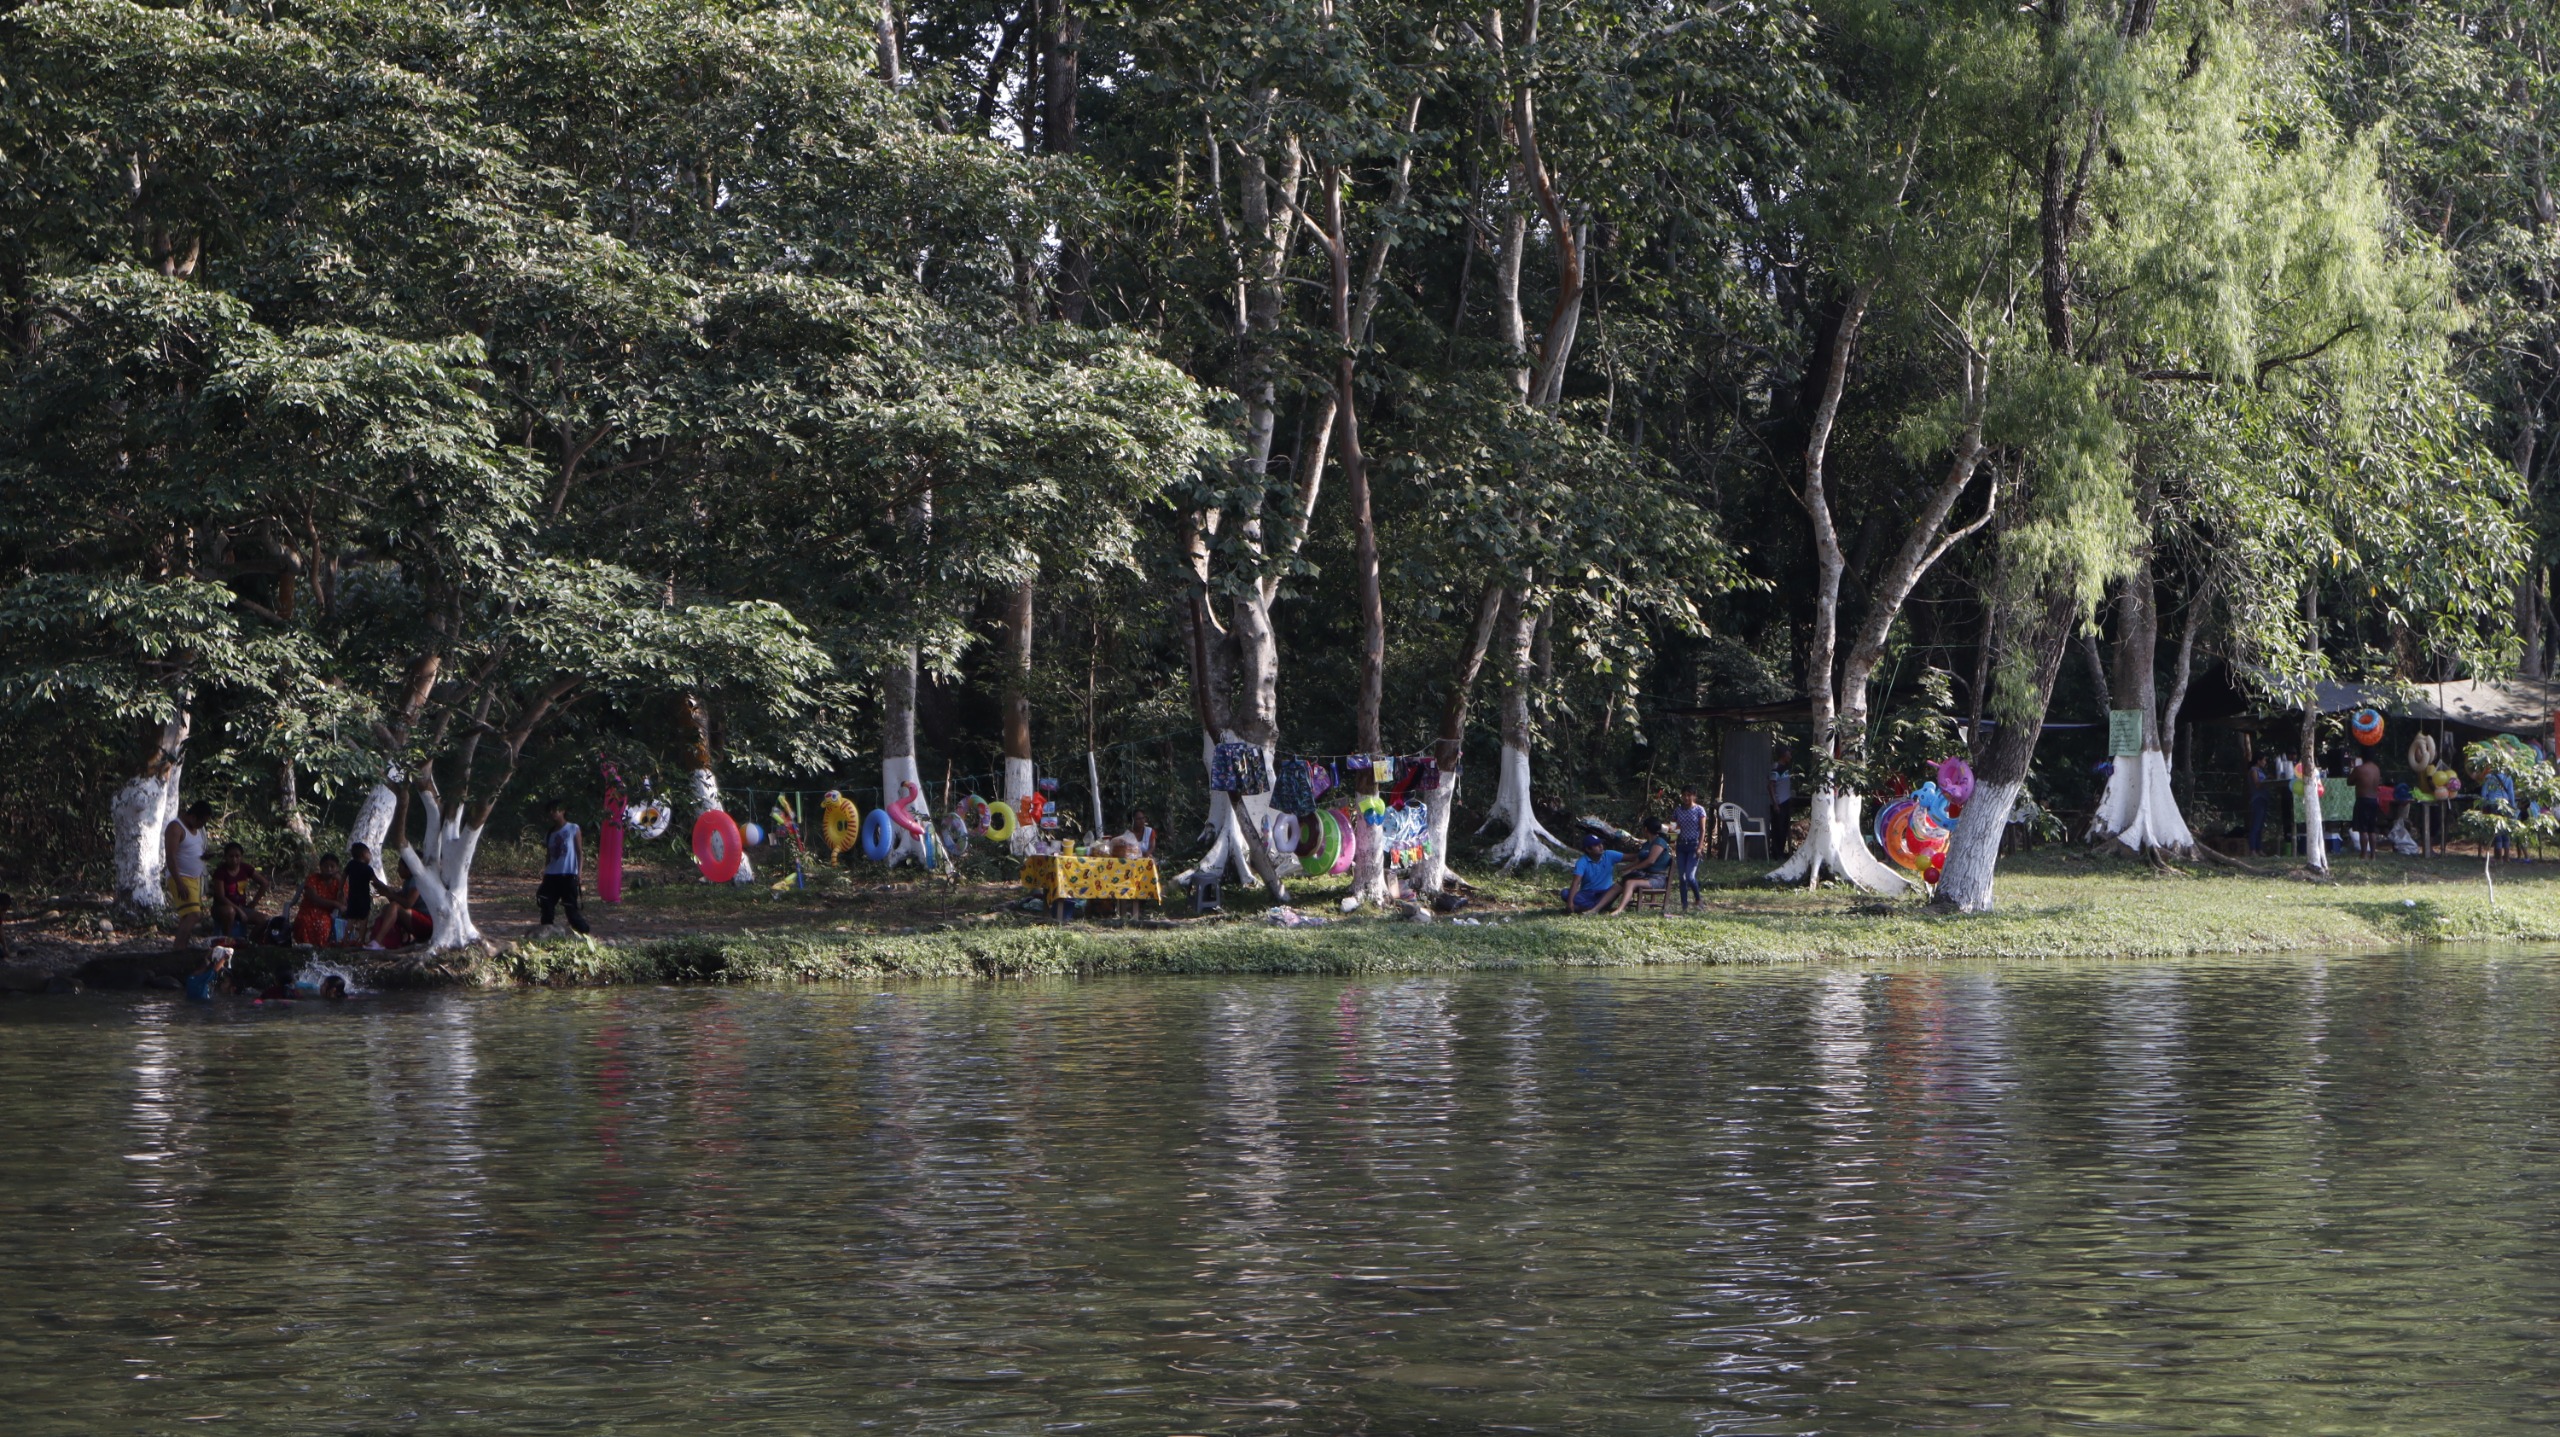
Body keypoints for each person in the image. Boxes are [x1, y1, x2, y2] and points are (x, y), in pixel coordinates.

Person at [163, 800, 213, 949]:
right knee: (194, 915)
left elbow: (193, 850)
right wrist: (179, 883)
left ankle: (181, 947)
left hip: (195, 878)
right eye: (201, 821)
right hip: (181, 877)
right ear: (193, 817)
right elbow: (170, 856)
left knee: (186, 916)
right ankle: (178, 949)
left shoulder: (198, 831)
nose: (202, 826)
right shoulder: (176, 827)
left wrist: (205, 856)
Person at [537, 802, 591, 936]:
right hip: (551, 875)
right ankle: (546, 934)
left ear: (563, 811)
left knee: (570, 909)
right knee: (546, 906)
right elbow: (549, 854)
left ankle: (584, 933)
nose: (553, 813)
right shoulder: (550, 833)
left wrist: (579, 873)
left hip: (568, 874)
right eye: (550, 811)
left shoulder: (573, 828)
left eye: (555, 810)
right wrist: (544, 870)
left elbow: (579, 852)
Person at [1599, 820, 1674, 915]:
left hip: (1656, 878)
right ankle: (1596, 909)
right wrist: (1624, 869)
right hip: (1644, 876)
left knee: (1630, 883)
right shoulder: (1646, 844)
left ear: (1645, 829)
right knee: (1617, 885)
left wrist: (1632, 869)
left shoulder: (1659, 842)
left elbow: (1650, 861)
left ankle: (1619, 910)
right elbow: (1637, 861)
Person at [209, 843, 268, 939]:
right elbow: (221, 897)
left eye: (237, 856)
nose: (234, 860)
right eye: (231, 856)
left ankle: (250, 942)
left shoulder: (245, 868)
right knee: (230, 912)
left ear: (241, 857)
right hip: (221, 908)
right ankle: (226, 940)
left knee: (263, 919)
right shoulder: (220, 872)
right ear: (225, 857)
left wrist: (254, 902)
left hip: (241, 907)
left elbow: (264, 883)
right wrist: (239, 910)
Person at [342, 842, 394, 945]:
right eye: (369, 853)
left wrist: (340, 889)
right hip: (363, 898)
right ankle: (360, 940)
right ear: (363, 854)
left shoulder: (351, 865)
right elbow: (375, 882)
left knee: (351, 919)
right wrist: (386, 888)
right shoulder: (367, 869)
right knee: (363, 919)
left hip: (352, 897)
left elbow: (343, 876)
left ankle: (345, 939)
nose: (370, 855)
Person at [291, 854, 347, 947]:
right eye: (326, 866)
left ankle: (320, 949)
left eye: (332, 866)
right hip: (309, 909)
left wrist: (340, 882)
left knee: (322, 923)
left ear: (337, 868)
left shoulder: (339, 882)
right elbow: (314, 898)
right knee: (304, 920)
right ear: (320, 867)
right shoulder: (313, 879)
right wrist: (335, 903)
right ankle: (304, 947)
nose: (329, 869)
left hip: (327, 912)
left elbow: (344, 902)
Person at [1564, 833, 1623, 914]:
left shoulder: (1609, 855)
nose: (1600, 846)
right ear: (1588, 849)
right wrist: (1570, 903)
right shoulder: (1582, 861)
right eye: (1596, 845)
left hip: (1605, 893)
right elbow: (1576, 882)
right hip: (1587, 894)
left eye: (1600, 843)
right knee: (1565, 893)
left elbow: (1633, 857)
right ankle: (1598, 908)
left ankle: (1586, 908)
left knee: (1617, 887)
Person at [367, 878, 432, 949]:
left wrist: (389, 894)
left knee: (394, 906)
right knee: (387, 908)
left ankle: (377, 942)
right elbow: (397, 897)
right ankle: (392, 941)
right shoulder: (407, 882)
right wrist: (384, 890)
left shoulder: (416, 881)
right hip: (416, 919)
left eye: (400, 867)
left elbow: (408, 903)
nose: (398, 870)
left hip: (427, 921)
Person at [1672, 788, 1709, 910]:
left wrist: (1700, 846)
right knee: (1681, 877)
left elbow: (1703, 830)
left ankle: (1698, 899)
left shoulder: (1699, 810)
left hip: (1693, 845)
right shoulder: (1678, 810)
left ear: (1694, 796)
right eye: (1684, 795)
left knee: (1690, 876)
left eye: (1689, 795)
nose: (1686, 798)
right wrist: (1672, 838)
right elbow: (1674, 827)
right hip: (1681, 846)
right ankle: (1684, 905)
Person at [2351, 750, 2385, 856]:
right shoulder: (2376, 769)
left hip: (2363, 799)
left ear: (2362, 758)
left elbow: (2349, 781)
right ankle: (2373, 854)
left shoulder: (2359, 769)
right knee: (2372, 829)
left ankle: (2364, 853)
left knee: (2363, 829)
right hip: (2374, 800)